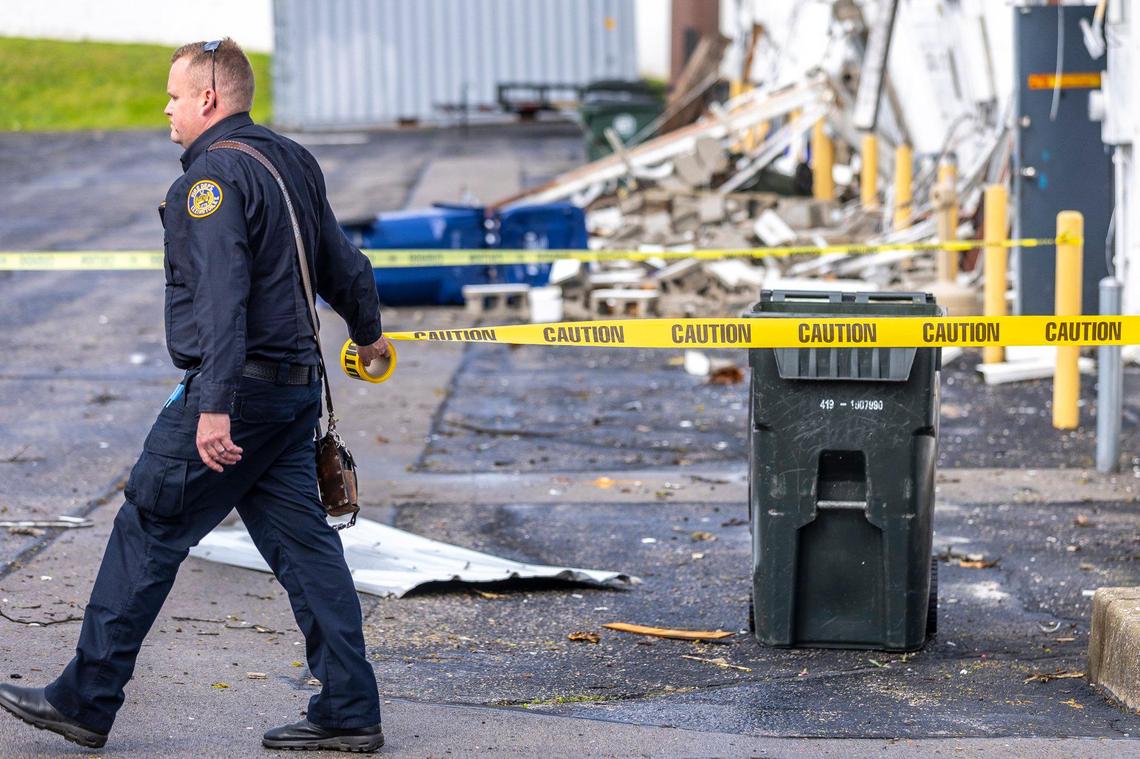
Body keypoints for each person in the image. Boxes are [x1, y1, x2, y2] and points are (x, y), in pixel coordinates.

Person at [0, 38, 390, 753]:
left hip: (236, 395)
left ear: (209, 98)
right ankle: (349, 708)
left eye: (175, 95)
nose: (168, 108)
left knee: (149, 523)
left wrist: (212, 405)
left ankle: (85, 698)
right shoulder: (290, 160)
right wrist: (368, 333)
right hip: (293, 392)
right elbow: (341, 260)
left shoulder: (209, 180)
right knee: (306, 550)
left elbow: (221, 298)